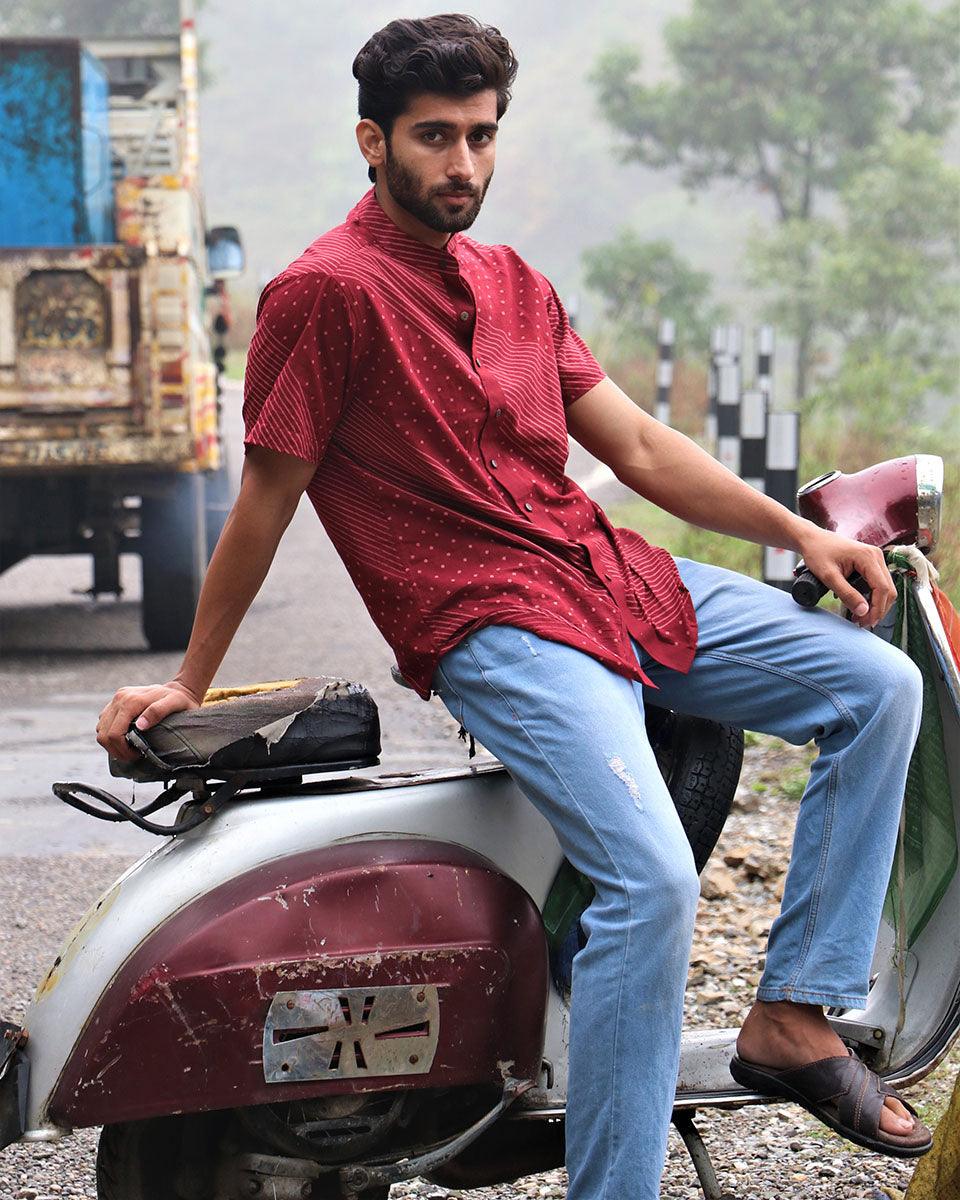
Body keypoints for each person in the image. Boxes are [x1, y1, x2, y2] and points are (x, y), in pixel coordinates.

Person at [96, 14, 931, 1198]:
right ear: (373, 142)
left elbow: (638, 446)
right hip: (494, 622)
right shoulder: (323, 295)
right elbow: (266, 499)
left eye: (481, 136)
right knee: (650, 877)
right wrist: (190, 677)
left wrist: (798, 534)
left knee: (878, 686)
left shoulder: (513, 282)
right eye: (435, 136)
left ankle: (794, 1014)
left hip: (606, 578)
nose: (464, 163)